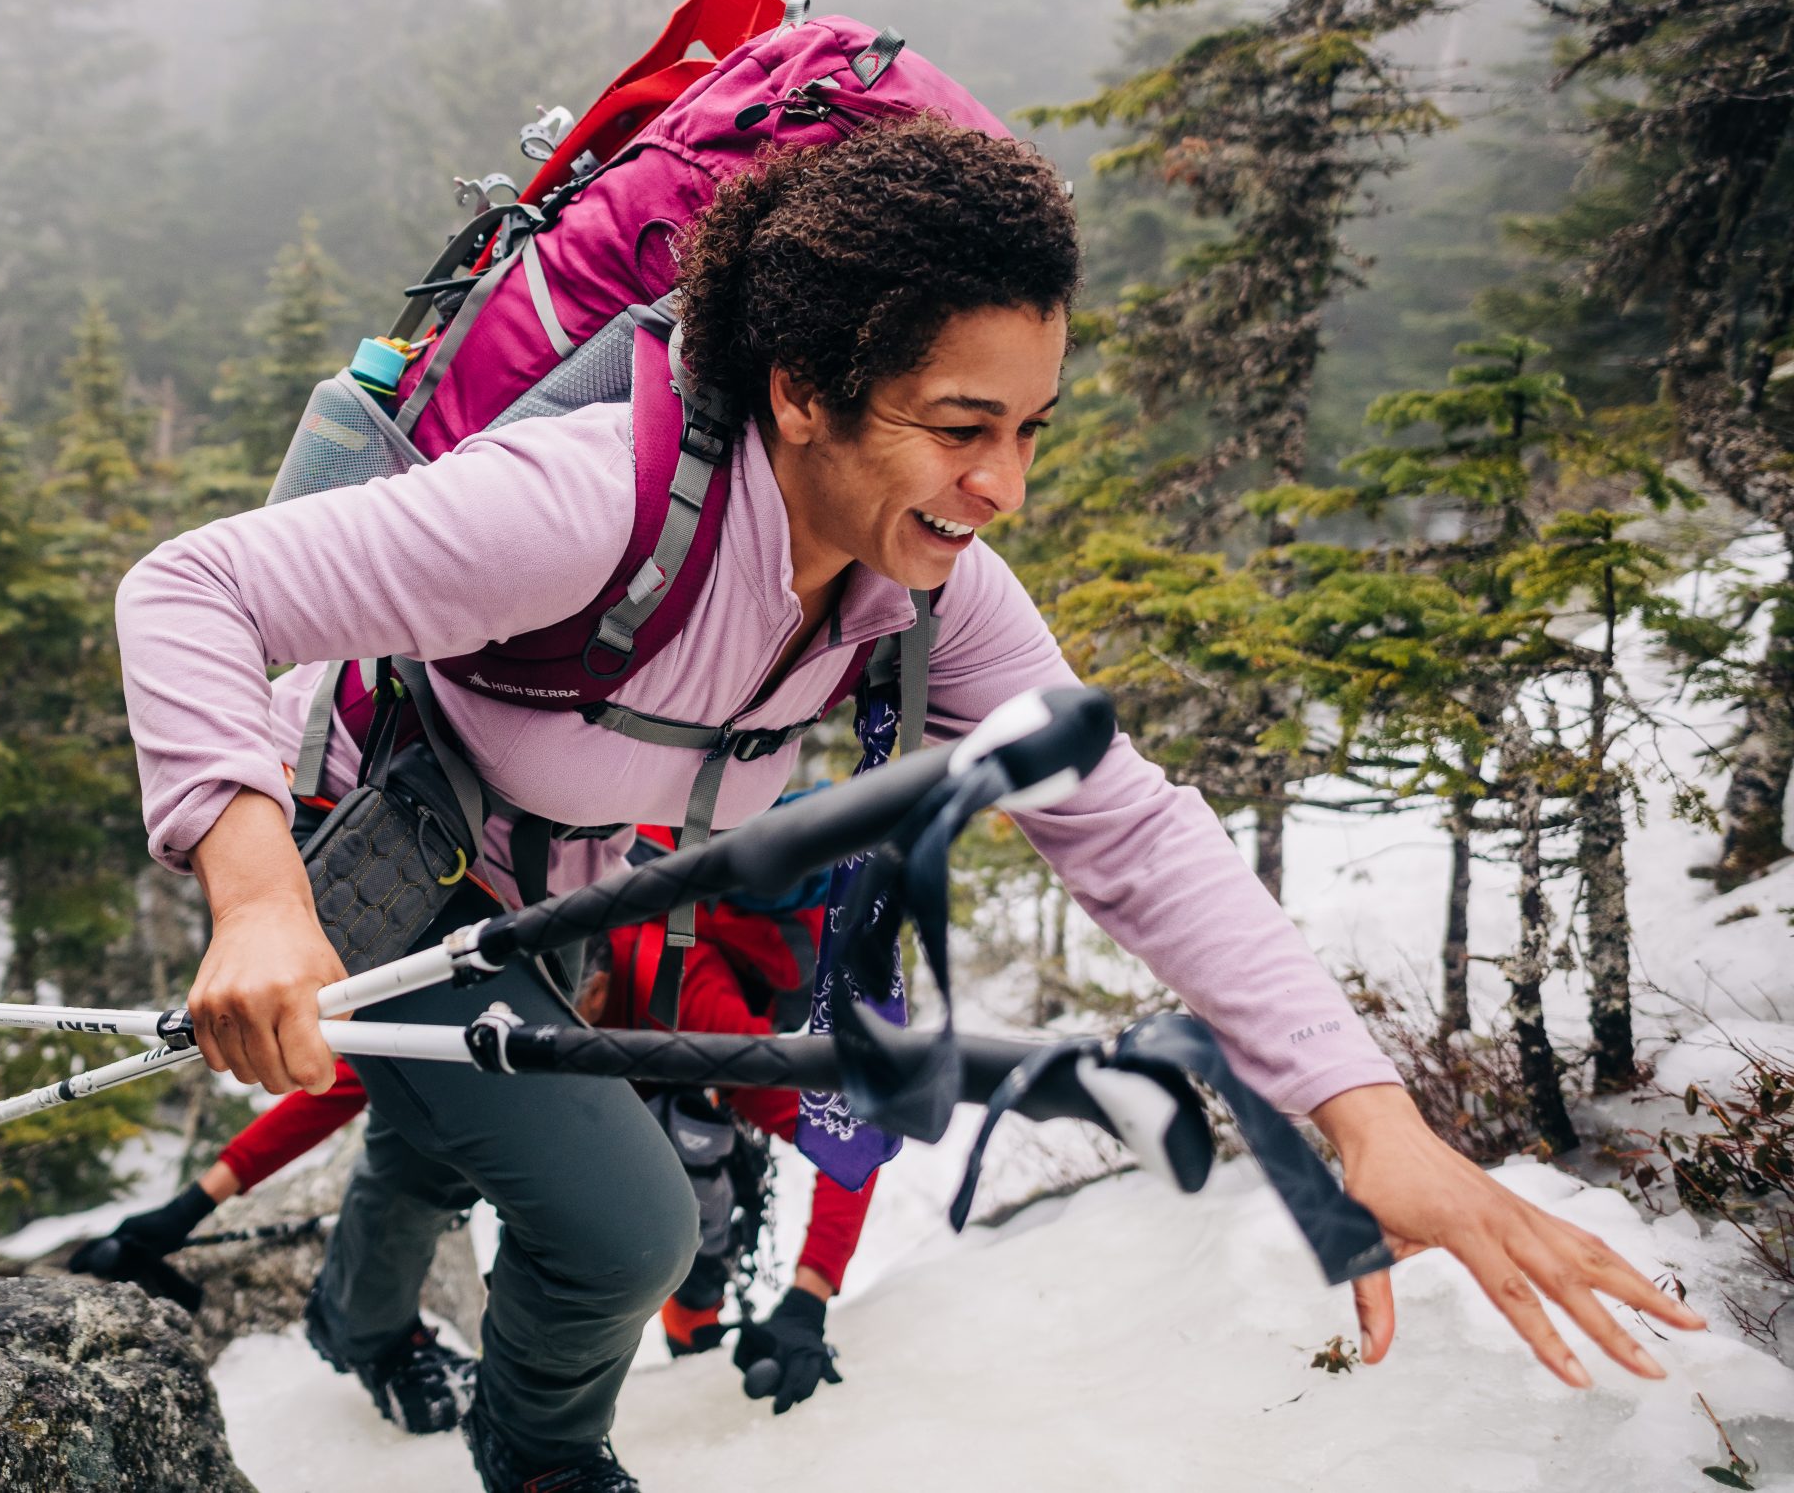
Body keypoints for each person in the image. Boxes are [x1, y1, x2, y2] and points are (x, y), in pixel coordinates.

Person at [114, 116, 1704, 1493]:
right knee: (621, 1222)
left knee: (467, 1116)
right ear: (803, 388)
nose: (1003, 483)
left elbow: (1127, 823)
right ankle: (544, 1455)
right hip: (384, 859)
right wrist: (258, 898)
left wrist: (1371, 1116)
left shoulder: (925, 593)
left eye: (1028, 431)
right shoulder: (586, 503)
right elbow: (191, 591)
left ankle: (360, 1311)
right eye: (960, 427)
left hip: (573, 887)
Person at [78, 894, 872, 1425]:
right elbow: (350, 1078)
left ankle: (683, 1347)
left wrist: (807, 1298)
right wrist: (187, 1207)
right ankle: (371, 1328)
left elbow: (846, 1143)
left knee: (680, 1200)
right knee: (425, 1128)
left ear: (595, 984)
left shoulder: (696, 1005)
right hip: (565, 1071)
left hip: (675, 1101)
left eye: (577, 1007)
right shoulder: (508, 994)